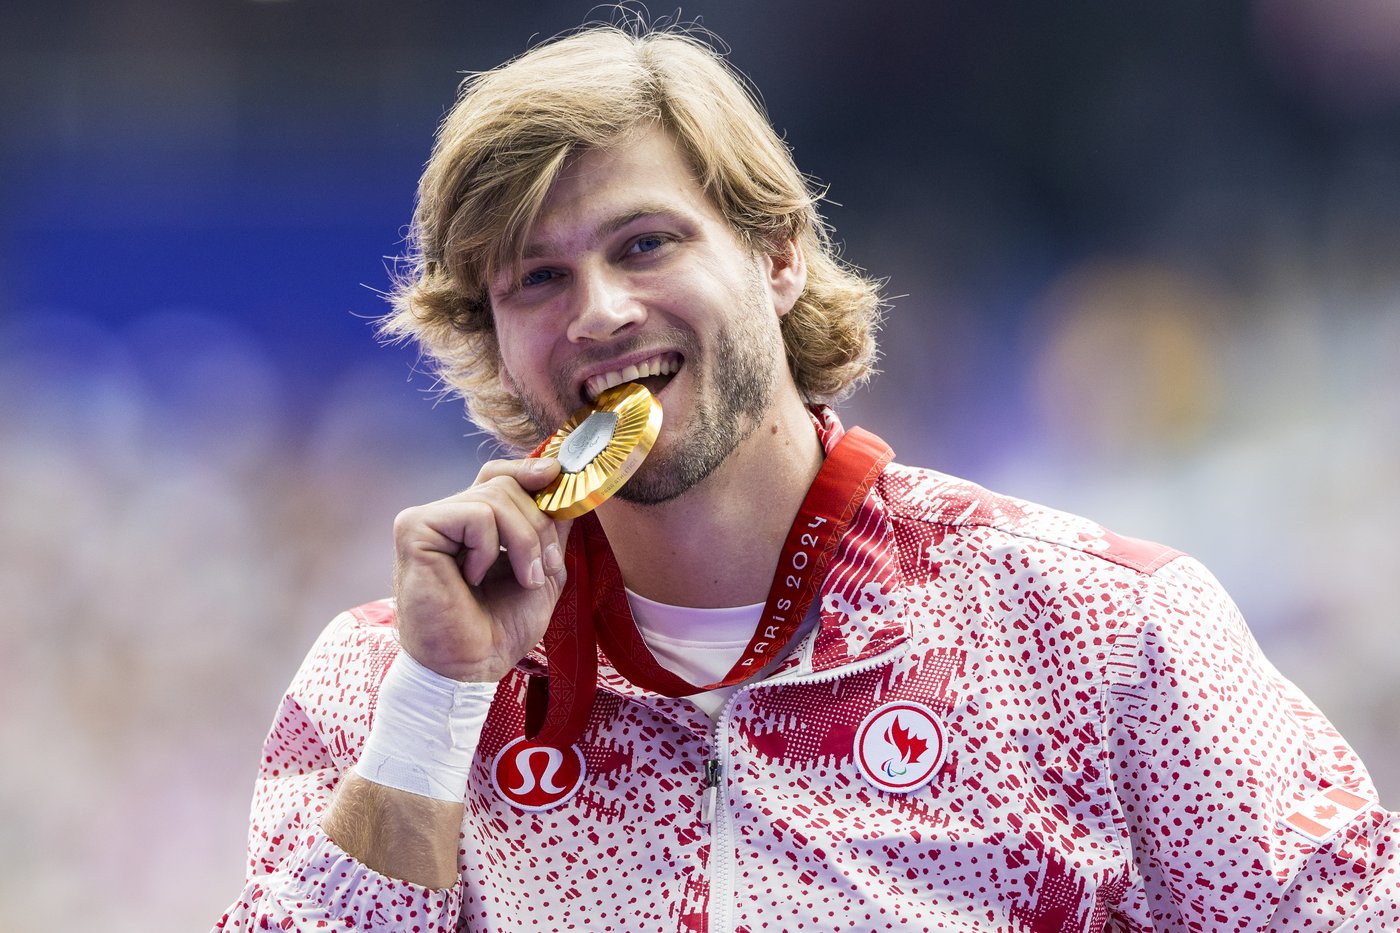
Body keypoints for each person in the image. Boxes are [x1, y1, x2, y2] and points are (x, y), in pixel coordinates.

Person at [215, 23, 1400, 933]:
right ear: (492, 341)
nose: (601, 313)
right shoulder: (395, 677)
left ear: (776, 257)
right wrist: (435, 705)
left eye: (644, 243)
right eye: (535, 280)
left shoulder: (1093, 630)